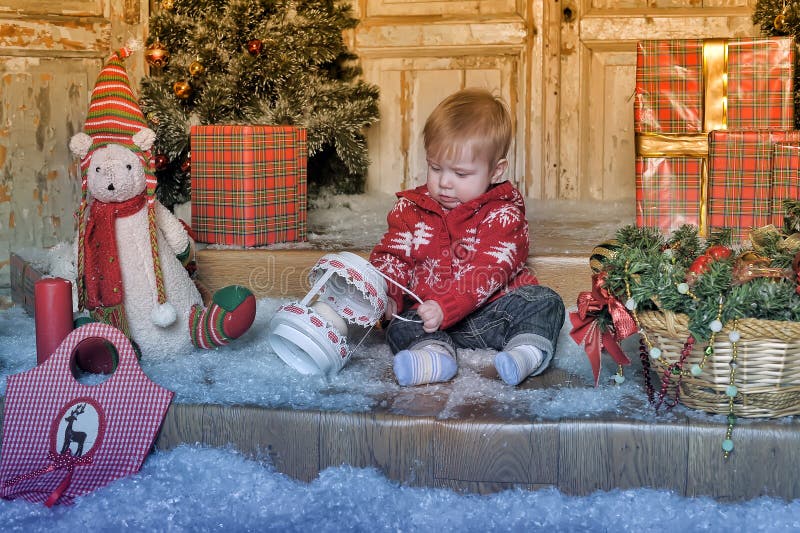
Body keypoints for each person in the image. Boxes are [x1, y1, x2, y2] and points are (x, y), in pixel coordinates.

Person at [369, 87, 565, 387]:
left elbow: (488, 271)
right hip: (430, 317)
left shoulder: (503, 215)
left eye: (461, 174)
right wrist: (389, 293)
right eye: (435, 168)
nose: (445, 183)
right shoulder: (411, 209)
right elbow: (392, 256)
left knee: (544, 301)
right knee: (400, 325)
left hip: (490, 314)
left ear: (496, 171)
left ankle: (524, 353)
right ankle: (433, 357)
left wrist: (448, 306)